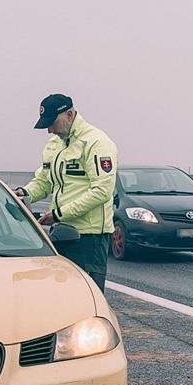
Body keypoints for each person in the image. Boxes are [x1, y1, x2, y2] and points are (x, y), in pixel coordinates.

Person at [16, 93, 118, 290]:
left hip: (89, 236)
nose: (49, 130)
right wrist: (23, 193)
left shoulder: (96, 143)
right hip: (60, 233)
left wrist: (59, 214)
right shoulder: (54, 145)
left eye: (52, 123)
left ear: (69, 114)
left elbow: (102, 191)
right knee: (61, 294)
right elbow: (44, 182)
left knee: (86, 297)